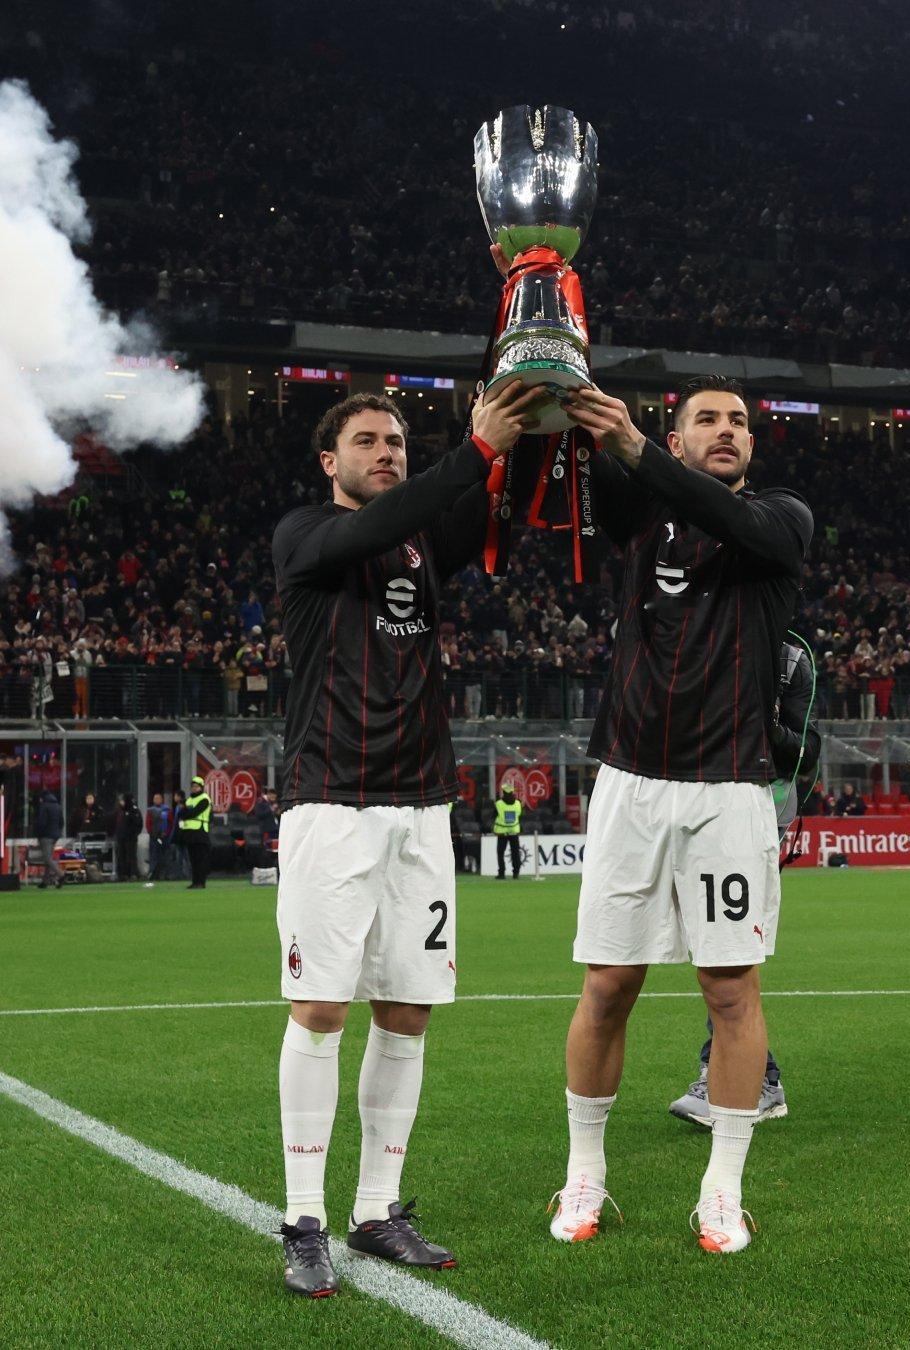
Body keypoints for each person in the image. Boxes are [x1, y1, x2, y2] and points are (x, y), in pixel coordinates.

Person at [271, 383, 540, 1295]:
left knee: (409, 1010)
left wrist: (532, 396)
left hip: (422, 807)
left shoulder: (426, 539)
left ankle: (375, 1211)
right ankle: (304, 1219)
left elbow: (501, 496)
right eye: (368, 441)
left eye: (395, 440)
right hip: (332, 806)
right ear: (329, 460)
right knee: (320, 1010)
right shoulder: (306, 536)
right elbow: (382, 522)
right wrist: (469, 450)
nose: (386, 452)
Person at [544, 373, 812, 1255]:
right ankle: (585, 1174)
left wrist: (638, 447)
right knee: (609, 985)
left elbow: (731, 519)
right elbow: (578, 471)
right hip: (631, 781)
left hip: (732, 788)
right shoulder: (639, 513)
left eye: (739, 420)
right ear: (678, 431)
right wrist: (558, 376)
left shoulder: (782, 520)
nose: (727, 430)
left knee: (730, 990)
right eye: (707, 418)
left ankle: (722, 1191)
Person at [669, 637, 821, 1129]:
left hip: (760, 806)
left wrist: (757, 727)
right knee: (714, 947)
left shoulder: (790, 657)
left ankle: (746, 1080)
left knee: (726, 950)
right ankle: (749, 1076)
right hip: (700, 797)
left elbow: (805, 748)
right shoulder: (703, 632)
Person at [177, 774, 212, 888]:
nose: (194, 788)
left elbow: (194, 812)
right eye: (193, 786)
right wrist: (186, 813)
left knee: (200, 858)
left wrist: (186, 813)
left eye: (197, 786)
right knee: (192, 859)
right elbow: (180, 814)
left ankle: (201, 882)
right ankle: (195, 882)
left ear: (201, 787)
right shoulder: (189, 800)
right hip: (189, 832)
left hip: (200, 831)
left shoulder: (204, 799)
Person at [493, 780, 524, 879]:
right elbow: (519, 815)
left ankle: (501, 873)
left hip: (502, 832)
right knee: (515, 853)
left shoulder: (499, 804)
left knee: (500, 853)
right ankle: (516, 873)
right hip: (514, 831)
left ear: (503, 792)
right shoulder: (518, 803)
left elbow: (494, 816)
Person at [35, 789, 64, 889]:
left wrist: (39, 834)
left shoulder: (44, 806)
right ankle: (45, 881)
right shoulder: (58, 806)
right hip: (55, 836)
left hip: (46, 836)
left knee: (47, 859)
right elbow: (62, 822)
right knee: (49, 858)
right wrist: (58, 832)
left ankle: (61, 874)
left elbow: (41, 822)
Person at [143, 792, 173, 887]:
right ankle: (153, 874)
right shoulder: (150, 810)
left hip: (165, 837)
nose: (156, 800)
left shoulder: (167, 810)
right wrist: (152, 833)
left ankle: (166, 874)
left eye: (158, 798)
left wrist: (166, 833)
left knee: (165, 855)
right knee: (154, 855)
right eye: (155, 798)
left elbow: (170, 823)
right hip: (154, 837)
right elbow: (148, 824)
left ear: (162, 799)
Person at [114, 792, 143, 881]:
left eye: (123, 800)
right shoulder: (120, 811)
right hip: (121, 837)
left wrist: (134, 834)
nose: (121, 802)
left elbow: (138, 823)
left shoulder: (134, 810)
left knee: (131, 856)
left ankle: (133, 873)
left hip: (130, 838)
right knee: (121, 856)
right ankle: (123, 874)